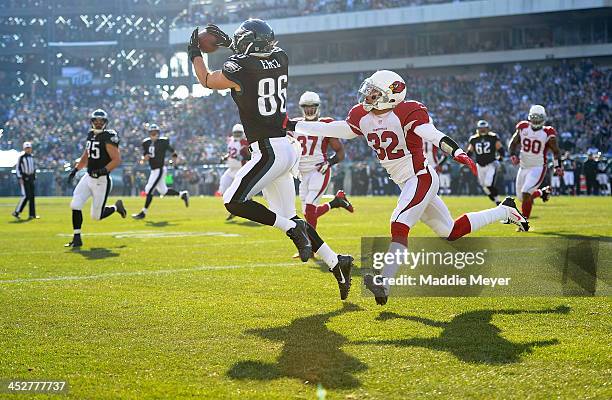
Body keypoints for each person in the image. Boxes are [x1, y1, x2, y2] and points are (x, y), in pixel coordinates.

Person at [289, 70, 529, 305]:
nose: (368, 95)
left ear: (390, 95)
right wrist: (293, 126)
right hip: (406, 182)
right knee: (451, 232)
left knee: (399, 223)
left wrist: (457, 151)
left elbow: (432, 134)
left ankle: (384, 281)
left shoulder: (407, 112)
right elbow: (334, 129)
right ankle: (505, 210)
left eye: (374, 92)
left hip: (420, 177)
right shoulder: (362, 115)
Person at [188, 18, 354, 299]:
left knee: (233, 201)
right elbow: (252, 62)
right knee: (289, 213)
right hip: (286, 149)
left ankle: (293, 228)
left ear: (248, 44)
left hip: (268, 150)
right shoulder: (281, 57)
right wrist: (234, 44)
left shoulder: (240, 67)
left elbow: (206, 80)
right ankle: (337, 262)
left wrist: (194, 51)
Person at [290, 91, 353, 231]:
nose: (309, 109)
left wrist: (329, 162)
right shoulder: (294, 124)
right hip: (302, 174)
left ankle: (311, 247)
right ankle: (336, 202)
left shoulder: (325, 124)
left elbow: (340, 153)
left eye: (312, 106)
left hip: (319, 170)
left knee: (310, 206)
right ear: (301, 108)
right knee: (307, 212)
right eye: (306, 107)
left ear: (318, 107)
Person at [65, 109, 127, 248]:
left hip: (101, 180)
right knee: (75, 204)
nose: (98, 124)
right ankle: (77, 238)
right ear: (92, 122)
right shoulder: (90, 135)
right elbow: (86, 155)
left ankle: (116, 208)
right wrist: (75, 170)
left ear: (105, 123)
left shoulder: (108, 136)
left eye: (101, 121)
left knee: (96, 216)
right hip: (88, 177)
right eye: (96, 121)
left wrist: (103, 170)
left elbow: (116, 160)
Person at [508, 105, 561, 219]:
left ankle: (524, 222)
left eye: (538, 117)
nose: (536, 120)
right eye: (534, 117)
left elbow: (556, 151)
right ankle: (542, 192)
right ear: (529, 117)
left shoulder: (548, 132)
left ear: (544, 118)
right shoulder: (523, 128)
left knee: (526, 193)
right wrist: (513, 155)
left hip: (538, 167)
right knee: (521, 197)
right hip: (523, 167)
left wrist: (558, 166)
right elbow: (513, 143)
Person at [132, 124, 189, 219]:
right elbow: (145, 156)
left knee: (149, 190)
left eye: (155, 133)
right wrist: (143, 159)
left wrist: (174, 162)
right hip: (154, 170)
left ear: (158, 133)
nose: (153, 135)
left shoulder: (163, 142)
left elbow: (173, 152)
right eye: (152, 133)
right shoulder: (146, 143)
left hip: (160, 169)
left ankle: (143, 212)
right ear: (149, 134)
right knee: (163, 191)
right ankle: (182, 194)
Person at [466, 120, 504, 204]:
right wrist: (467, 160)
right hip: (479, 165)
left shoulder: (493, 137)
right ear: (478, 129)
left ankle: (498, 201)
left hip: (491, 164)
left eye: (484, 128)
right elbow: (469, 152)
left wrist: (500, 157)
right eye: (481, 128)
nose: (482, 130)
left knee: (488, 183)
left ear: (488, 128)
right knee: (483, 185)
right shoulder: (474, 139)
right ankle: (494, 198)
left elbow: (500, 149)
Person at [218, 123, 249, 221]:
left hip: (240, 169)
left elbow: (249, 155)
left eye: (239, 133)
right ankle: (233, 210)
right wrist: (225, 157)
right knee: (223, 188)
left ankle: (246, 208)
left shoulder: (245, 142)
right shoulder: (231, 140)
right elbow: (231, 152)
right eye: (236, 133)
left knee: (239, 192)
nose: (237, 135)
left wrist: (244, 156)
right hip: (231, 169)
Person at [12, 141, 38, 219]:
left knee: (32, 196)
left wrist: (34, 176)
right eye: (27, 148)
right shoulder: (21, 157)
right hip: (24, 178)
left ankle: (32, 214)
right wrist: (20, 178)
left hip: (31, 178)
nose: (28, 149)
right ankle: (16, 212)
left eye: (29, 148)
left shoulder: (32, 157)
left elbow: (33, 167)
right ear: (24, 149)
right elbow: (18, 168)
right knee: (25, 196)